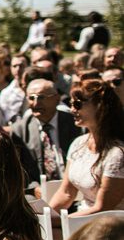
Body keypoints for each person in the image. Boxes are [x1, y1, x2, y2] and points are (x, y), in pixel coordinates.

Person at [49, 78, 124, 215]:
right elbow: (66, 192)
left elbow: (102, 208)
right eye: (71, 104)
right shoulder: (78, 144)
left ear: (100, 106)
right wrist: (45, 216)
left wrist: (63, 222)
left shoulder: (117, 154)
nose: (72, 109)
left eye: (77, 104)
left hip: (110, 225)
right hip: (80, 217)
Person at [11, 79, 81, 190]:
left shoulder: (75, 124)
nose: (35, 103)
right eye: (31, 98)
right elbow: (19, 170)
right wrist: (34, 189)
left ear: (57, 99)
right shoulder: (19, 131)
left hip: (75, 188)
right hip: (39, 194)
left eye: (41, 97)